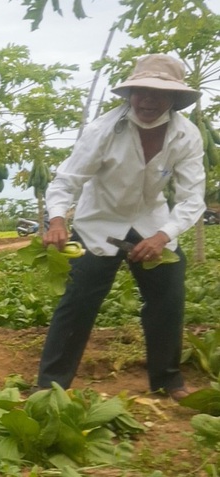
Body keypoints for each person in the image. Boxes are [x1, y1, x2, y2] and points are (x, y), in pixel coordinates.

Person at [37, 54, 205, 401]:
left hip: (152, 223)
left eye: (158, 93)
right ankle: (49, 385)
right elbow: (67, 180)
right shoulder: (103, 130)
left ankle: (168, 381)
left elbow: (192, 199)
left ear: (173, 98)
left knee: (168, 296)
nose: (147, 100)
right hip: (98, 221)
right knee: (78, 301)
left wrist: (163, 236)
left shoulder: (186, 135)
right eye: (140, 91)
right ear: (129, 95)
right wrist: (56, 219)